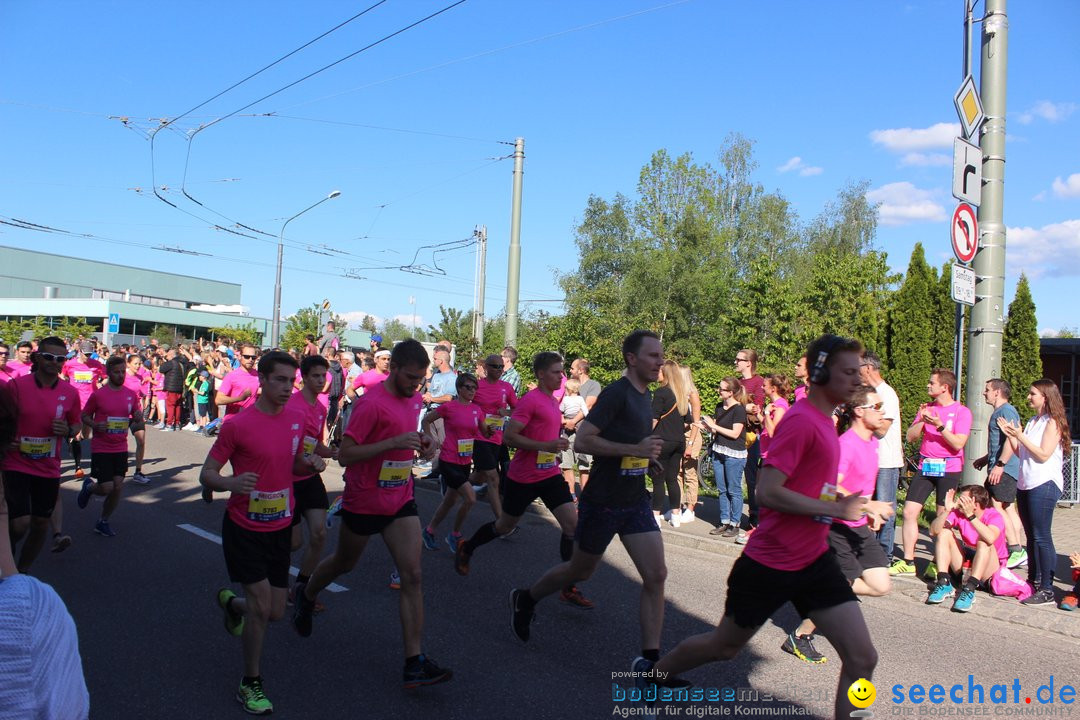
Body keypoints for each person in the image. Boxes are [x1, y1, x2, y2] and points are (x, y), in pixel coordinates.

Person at [642, 336, 889, 720]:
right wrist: (840, 505)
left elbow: (812, 486)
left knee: (862, 658)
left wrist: (852, 503)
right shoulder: (802, 421)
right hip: (770, 562)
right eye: (849, 371)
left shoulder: (826, 423)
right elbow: (769, 492)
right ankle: (654, 675)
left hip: (815, 560)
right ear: (822, 372)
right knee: (724, 647)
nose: (859, 379)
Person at [292, 340, 452, 690]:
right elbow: (346, 455)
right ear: (393, 367)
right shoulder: (370, 404)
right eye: (410, 377)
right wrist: (393, 444)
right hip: (365, 498)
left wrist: (424, 441)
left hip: (400, 497)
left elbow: (411, 434)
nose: (415, 385)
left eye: (420, 379)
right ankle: (305, 596)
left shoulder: (413, 398)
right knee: (344, 563)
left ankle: (414, 662)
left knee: (412, 575)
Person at [508, 331, 664, 653]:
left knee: (656, 575)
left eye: (660, 356)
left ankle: (651, 662)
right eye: (652, 355)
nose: (659, 362)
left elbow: (628, 447)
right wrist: (634, 448)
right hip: (604, 502)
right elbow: (584, 440)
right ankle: (527, 597)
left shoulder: (644, 394)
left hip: (634, 500)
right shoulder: (616, 394)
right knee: (581, 569)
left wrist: (646, 460)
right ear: (632, 359)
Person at [199, 351, 327, 715]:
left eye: (291, 381)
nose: (288, 388)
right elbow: (206, 474)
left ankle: (230, 604)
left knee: (273, 612)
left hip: (280, 526)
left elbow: (292, 462)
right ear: (263, 381)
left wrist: (312, 463)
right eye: (280, 380)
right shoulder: (238, 424)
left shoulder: (295, 418)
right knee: (261, 607)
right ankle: (250, 682)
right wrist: (230, 482)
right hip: (244, 527)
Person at [454, 352, 593, 607]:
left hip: (549, 474)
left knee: (572, 526)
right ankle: (468, 547)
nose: (561, 376)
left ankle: (568, 586)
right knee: (504, 526)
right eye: (556, 372)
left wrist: (554, 445)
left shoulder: (553, 401)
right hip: (524, 477)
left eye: (563, 371)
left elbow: (547, 439)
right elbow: (510, 437)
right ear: (541, 374)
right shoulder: (531, 401)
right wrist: (547, 443)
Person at [780, 385, 893, 664]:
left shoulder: (873, 442)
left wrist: (870, 512)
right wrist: (868, 506)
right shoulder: (846, 445)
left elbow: (862, 486)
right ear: (859, 411)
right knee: (841, 588)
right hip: (835, 526)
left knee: (881, 585)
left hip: (857, 524)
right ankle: (800, 636)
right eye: (876, 407)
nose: (883, 412)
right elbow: (828, 487)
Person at [1, 337, 82, 574]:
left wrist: (68, 430)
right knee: (19, 523)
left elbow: (76, 425)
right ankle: (7, 557)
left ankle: (21, 572)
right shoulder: (17, 386)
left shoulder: (70, 392)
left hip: (47, 466)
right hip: (16, 462)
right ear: (38, 357)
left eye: (60, 359)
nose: (53, 362)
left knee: (39, 524)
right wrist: (7, 440)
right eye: (48, 357)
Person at [998, 378, 1071, 606]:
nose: (1028, 397)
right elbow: (1023, 453)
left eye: (1032, 394)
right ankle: (1033, 581)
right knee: (1031, 536)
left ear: (1045, 397)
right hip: (1026, 482)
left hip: (1044, 483)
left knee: (1041, 535)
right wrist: (1011, 435)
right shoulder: (1033, 421)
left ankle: (1047, 589)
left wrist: (1019, 436)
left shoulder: (1052, 422)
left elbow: (1043, 454)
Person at [892, 369, 972, 576]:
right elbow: (910, 437)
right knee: (909, 512)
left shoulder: (962, 412)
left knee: (941, 517)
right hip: (926, 467)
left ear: (944, 387)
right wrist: (922, 421)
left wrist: (940, 426)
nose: (928, 386)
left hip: (949, 468)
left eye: (931, 383)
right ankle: (908, 561)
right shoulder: (926, 408)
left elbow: (958, 443)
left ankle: (939, 563)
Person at [285, 355, 338, 611]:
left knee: (319, 533)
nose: (320, 380)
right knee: (293, 543)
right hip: (288, 480)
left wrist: (333, 453)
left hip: (309, 478)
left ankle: (301, 588)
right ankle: (274, 582)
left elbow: (314, 442)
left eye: (323, 376)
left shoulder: (320, 407)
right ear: (304, 377)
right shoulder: (291, 405)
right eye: (315, 376)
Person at [74, 355, 145, 537]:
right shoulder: (99, 395)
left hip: (120, 446)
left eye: (122, 372)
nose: (121, 375)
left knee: (118, 486)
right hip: (101, 446)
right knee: (106, 488)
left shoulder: (130, 395)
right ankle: (89, 487)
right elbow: (85, 416)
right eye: (116, 372)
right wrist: (95, 425)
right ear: (108, 373)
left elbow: (135, 412)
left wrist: (137, 416)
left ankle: (103, 521)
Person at [420, 373, 486, 552]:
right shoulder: (450, 407)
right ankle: (455, 535)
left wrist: (492, 428)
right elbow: (426, 420)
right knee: (470, 498)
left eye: (474, 388)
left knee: (449, 501)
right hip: (449, 460)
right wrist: (430, 439)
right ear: (459, 389)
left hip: (465, 462)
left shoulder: (477, 410)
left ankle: (429, 530)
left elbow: (485, 432)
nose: (472, 391)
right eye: (468, 387)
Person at [971, 379, 1027, 569]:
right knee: (1008, 507)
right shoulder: (1001, 411)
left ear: (997, 392)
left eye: (987, 390)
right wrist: (986, 459)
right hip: (1002, 466)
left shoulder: (1006, 411)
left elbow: (1011, 440)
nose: (984, 393)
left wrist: (1000, 464)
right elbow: (1000, 442)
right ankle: (1017, 549)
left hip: (1005, 469)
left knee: (997, 505)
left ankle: (1015, 549)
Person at [925, 485, 1007, 612]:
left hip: (991, 569)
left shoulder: (994, 515)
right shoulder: (958, 513)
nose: (958, 502)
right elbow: (933, 531)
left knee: (983, 542)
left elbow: (990, 538)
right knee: (944, 533)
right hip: (967, 563)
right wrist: (947, 510)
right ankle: (943, 582)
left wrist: (971, 516)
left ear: (975, 503)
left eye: (962, 499)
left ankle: (970, 589)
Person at [859, 352, 903, 558]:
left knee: (885, 507)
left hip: (886, 461)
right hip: (869, 459)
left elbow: (883, 429)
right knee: (867, 506)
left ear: (868, 368)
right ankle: (867, 550)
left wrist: (862, 418)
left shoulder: (887, 394)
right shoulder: (868, 392)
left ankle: (885, 554)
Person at [470, 354, 517, 521]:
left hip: (496, 437)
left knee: (480, 476)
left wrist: (507, 412)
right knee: (493, 477)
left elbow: (518, 409)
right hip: (478, 437)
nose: (499, 370)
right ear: (486, 367)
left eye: (501, 367)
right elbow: (464, 407)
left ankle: (455, 483)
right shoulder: (476, 386)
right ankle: (501, 523)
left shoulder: (507, 387)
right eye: (495, 366)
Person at [650, 360, 692, 528]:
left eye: (659, 371)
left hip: (662, 441)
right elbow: (688, 421)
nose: (657, 374)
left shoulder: (661, 392)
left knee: (658, 480)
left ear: (665, 374)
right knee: (672, 479)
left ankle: (655, 516)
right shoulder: (681, 394)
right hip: (678, 441)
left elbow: (653, 418)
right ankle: (676, 515)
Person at [705, 377, 748, 538]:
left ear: (731, 393)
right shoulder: (719, 407)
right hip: (719, 451)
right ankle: (724, 521)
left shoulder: (739, 410)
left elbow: (735, 434)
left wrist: (714, 425)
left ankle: (735, 523)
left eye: (722, 389)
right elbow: (718, 431)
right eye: (719, 387)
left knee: (734, 490)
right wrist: (707, 426)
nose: (719, 391)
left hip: (734, 454)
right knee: (722, 489)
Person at [735, 349, 764, 540]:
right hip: (734, 435)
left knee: (752, 479)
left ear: (749, 363)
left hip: (752, 436)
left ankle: (755, 517)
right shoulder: (736, 383)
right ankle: (731, 518)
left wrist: (741, 406)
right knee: (734, 479)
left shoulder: (758, 382)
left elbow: (757, 407)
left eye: (739, 359)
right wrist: (743, 406)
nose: (735, 361)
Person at [559, 378, 589, 499]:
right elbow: (586, 412)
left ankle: (571, 493)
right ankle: (584, 494)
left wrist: (566, 421)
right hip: (580, 429)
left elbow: (560, 411)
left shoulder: (565, 399)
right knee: (583, 464)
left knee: (567, 464)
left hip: (567, 429)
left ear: (569, 389)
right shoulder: (581, 399)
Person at [158, 347, 186, 432]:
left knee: (170, 406)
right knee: (177, 406)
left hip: (171, 387)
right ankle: (177, 424)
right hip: (179, 388)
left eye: (168, 355)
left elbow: (161, 369)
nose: (167, 356)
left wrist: (164, 360)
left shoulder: (171, 363)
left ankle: (169, 424)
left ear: (171, 355)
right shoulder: (181, 363)